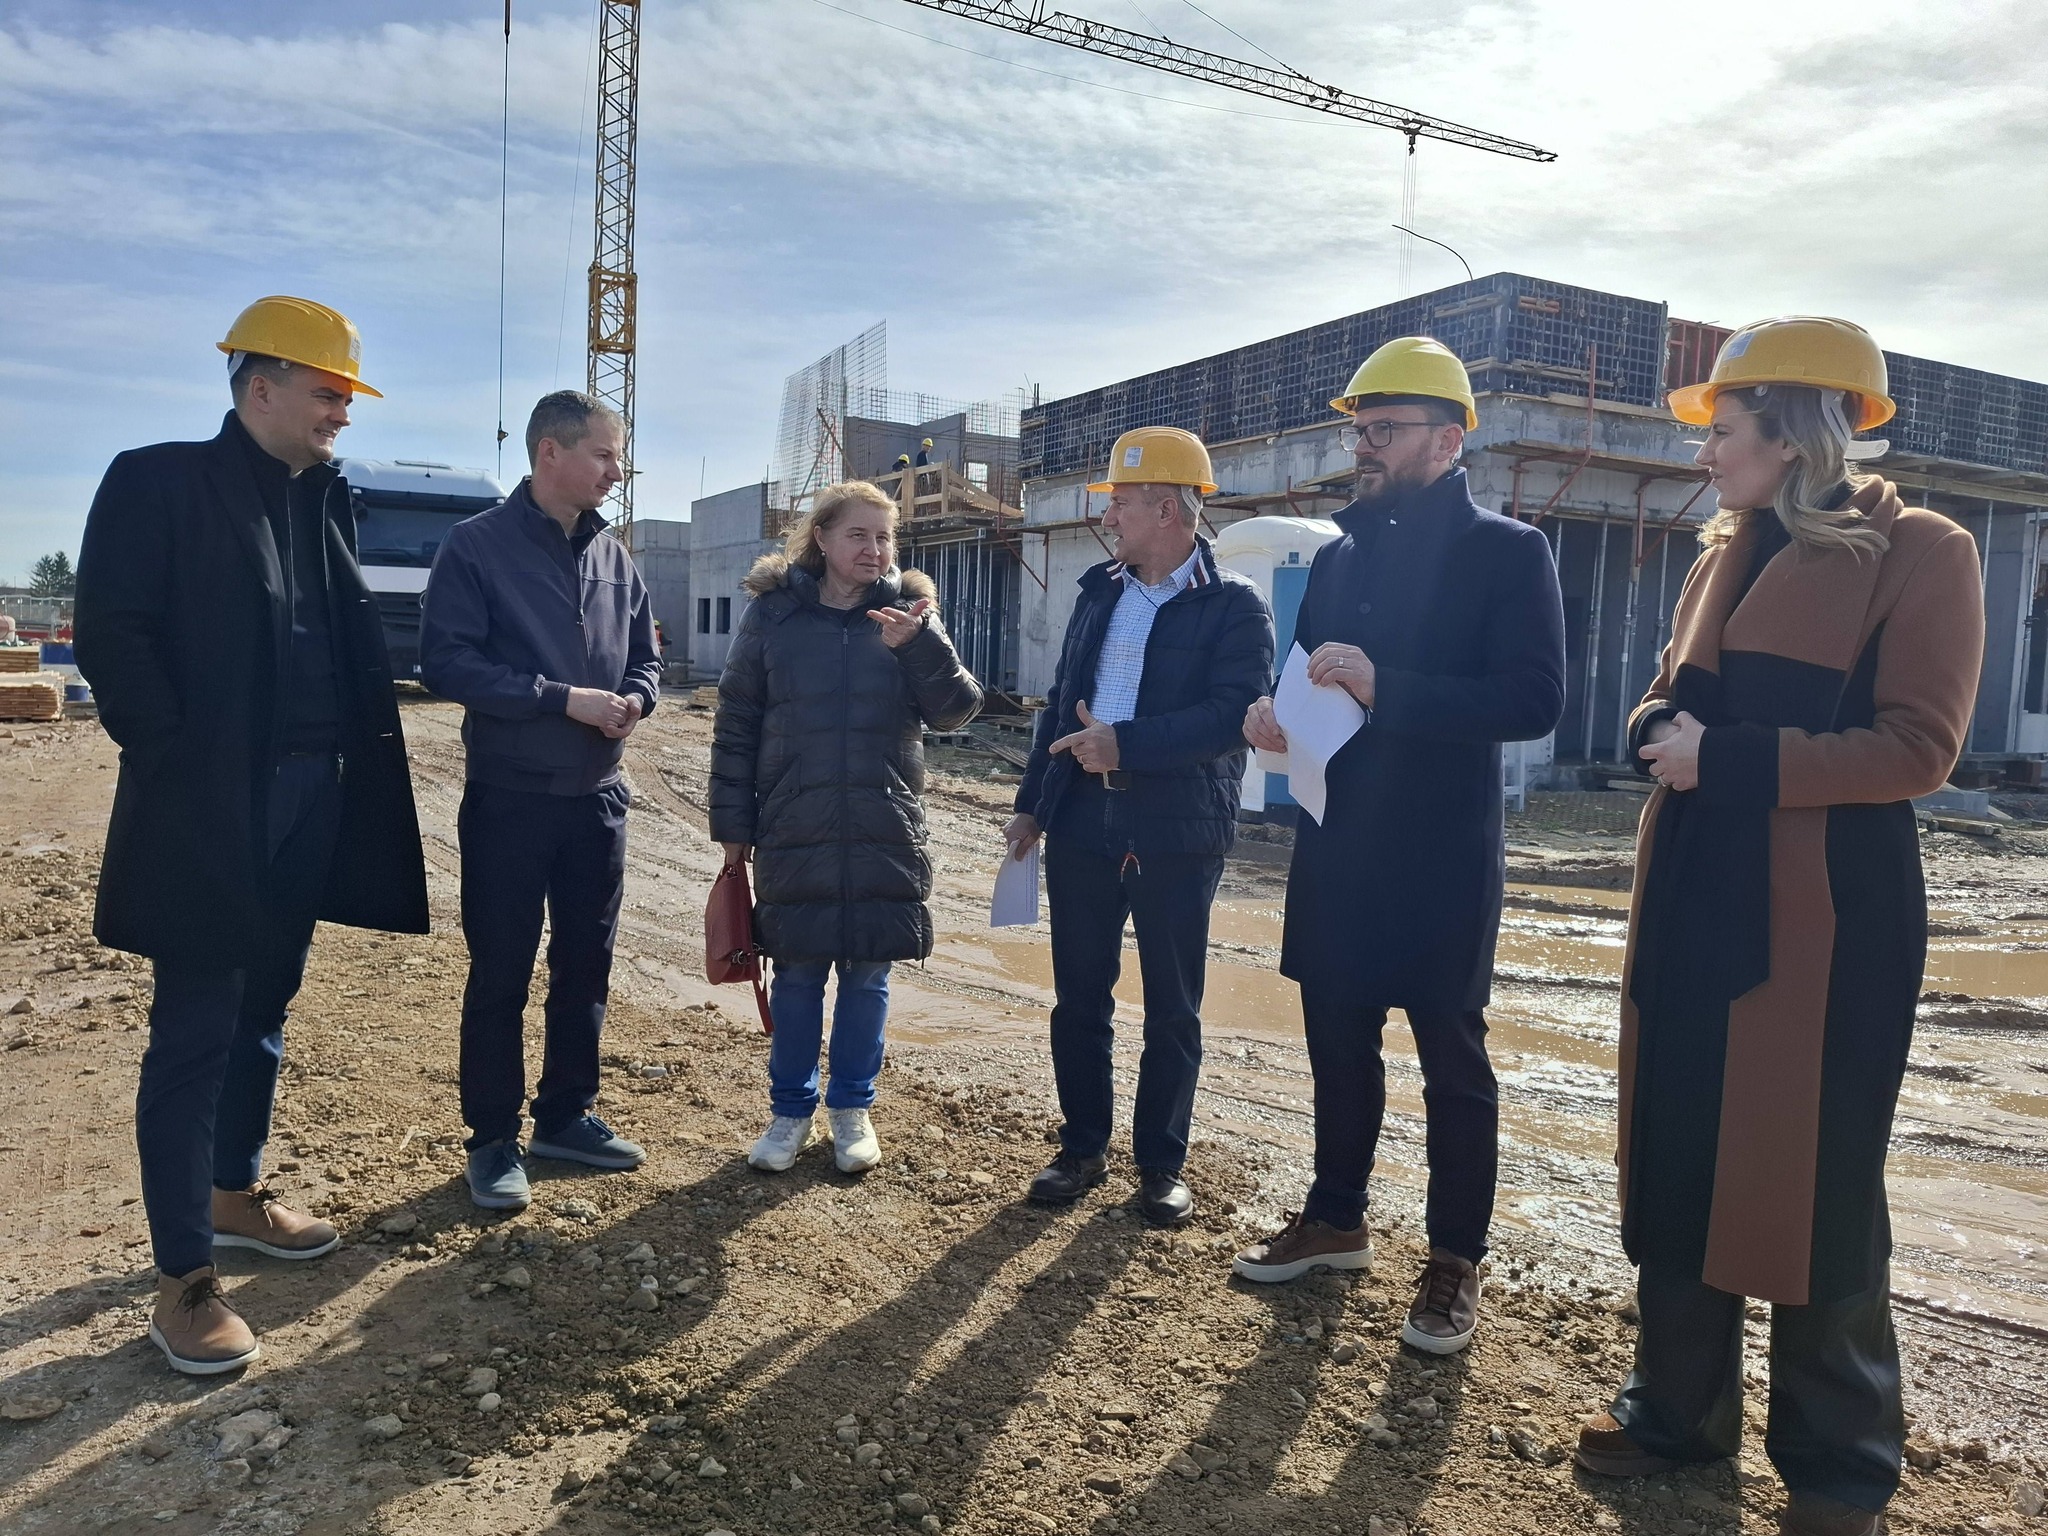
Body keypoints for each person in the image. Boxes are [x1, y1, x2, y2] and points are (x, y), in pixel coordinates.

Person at [1574, 318, 1984, 1536]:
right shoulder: (1722, 553)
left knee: (1819, 1175)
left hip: (1829, 913)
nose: (1703, 454)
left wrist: (1729, 760)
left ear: (1794, 433)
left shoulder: (1922, 550)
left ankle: (1838, 1466)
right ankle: (1675, 1415)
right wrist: (1655, 729)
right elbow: (1668, 697)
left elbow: (1917, 749)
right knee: (1680, 1142)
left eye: (1723, 430)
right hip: (1693, 887)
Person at [74, 296, 431, 1374]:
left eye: (347, 398)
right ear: (259, 386)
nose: (343, 414)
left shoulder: (325, 501)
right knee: (194, 1029)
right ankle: (182, 1280)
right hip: (212, 803)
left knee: (264, 1007)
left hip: (311, 796)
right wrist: (179, 765)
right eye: (329, 393)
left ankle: (231, 1191)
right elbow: (114, 635)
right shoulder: (158, 482)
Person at [1236, 337, 1566, 1353]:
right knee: (1337, 1043)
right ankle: (1336, 1218)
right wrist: (1271, 715)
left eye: (1382, 429)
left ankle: (1454, 1259)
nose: (1363, 447)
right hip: (1338, 837)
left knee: (1451, 1062)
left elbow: (1534, 699)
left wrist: (1390, 688)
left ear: (1446, 439)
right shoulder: (1338, 555)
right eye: (1358, 431)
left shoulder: (1508, 553)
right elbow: (1306, 673)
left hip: (1440, 852)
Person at [1007, 428, 1275, 1226]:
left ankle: (1161, 1165)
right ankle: (1081, 1149)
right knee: (1079, 998)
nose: (1108, 519)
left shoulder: (1235, 606)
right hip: (1083, 820)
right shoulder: (1098, 591)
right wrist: (1032, 803)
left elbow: (1229, 717)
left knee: (1173, 1007)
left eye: (1119, 504)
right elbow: (1062, 706)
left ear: (1167, 510)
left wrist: (1125, 744)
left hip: (1176, 828)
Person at [419, 391, 661, 1211]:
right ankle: (492, 1139)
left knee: (586, 965)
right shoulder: (475, 546)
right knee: (502, 971)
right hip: (511, 798)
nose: (617, 471)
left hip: (599, 800)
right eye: (605, 454)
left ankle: (565, 1115)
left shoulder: (614, 555)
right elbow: (447, 664)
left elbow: (646, 655)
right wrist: (563, 700)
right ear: (549, 452)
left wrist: (636, 699)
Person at [710, 480, 981, 1174]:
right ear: (822, 539)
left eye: (884, 537)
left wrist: (919, 646)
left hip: (882, 824)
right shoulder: (773, 614)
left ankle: (853, 1111)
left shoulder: (911, 615)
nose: (874, 549)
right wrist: (733, 827)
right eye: (858, 534)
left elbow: (957, 711)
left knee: (867, 976)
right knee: (798, 975)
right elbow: (737, 723)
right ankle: (789, 1114)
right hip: (793, 824)